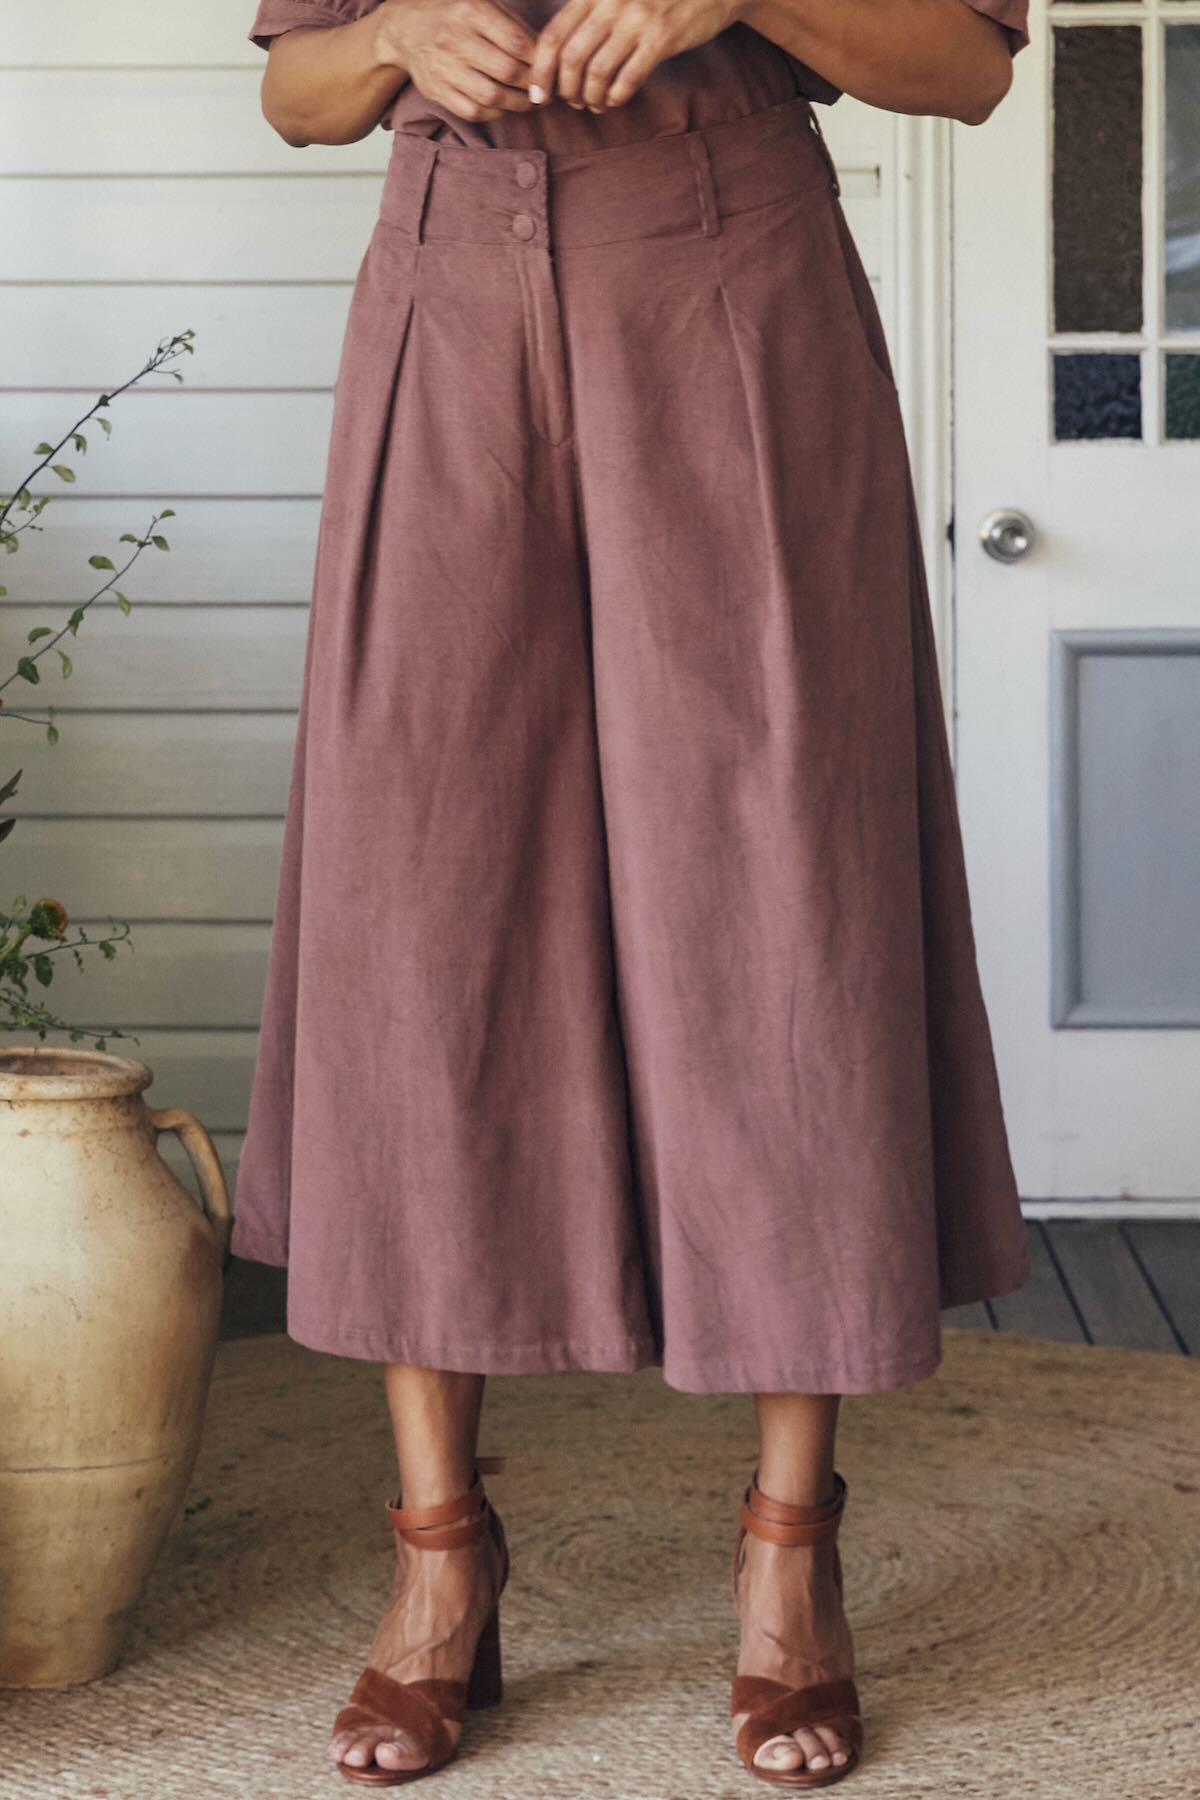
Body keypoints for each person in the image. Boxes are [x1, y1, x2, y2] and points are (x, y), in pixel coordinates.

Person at [234, 0, 1033, 1784]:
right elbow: (296, 93)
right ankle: (440, 1558)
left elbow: (968, 67)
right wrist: (394, 37)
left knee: (782, 896)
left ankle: (788, 1558)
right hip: (447, 291)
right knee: (423, 912)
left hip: (732, 275)